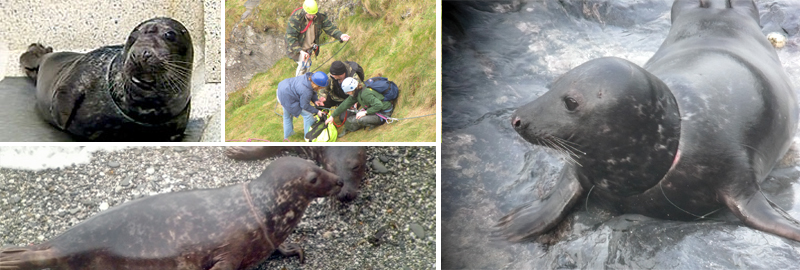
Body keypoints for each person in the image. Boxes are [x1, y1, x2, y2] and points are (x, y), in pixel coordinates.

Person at [286, 0, 352, 76]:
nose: (312, 17)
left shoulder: (320, 16)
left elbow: (329, 28)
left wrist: (340, 35)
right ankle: (298, 84)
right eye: (310, 15)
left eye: (313, 15)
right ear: (305, 11)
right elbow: (291, 37)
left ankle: (305, 82)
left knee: (307, 66)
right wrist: (300, 51)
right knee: (303, 65)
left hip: (308, 48)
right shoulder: (295, 19)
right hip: (296, 48)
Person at [325, 77, 393, 137]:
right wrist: (332, 116)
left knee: (360, 119)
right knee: (358, 115)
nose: (348, 94)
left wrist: (366, 112)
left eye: (348, 92)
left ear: (352, 89)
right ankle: (350, 127)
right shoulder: (357, 93)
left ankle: (373, 123)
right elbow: (344, 104)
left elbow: (379, 105)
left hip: (383, 113)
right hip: (376, 110)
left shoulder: (365, 94)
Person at [277, 71, 329, 141]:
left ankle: (288, 136)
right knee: (308, 115)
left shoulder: (309, 78)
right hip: (287, 97)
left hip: (282, 89)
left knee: (287, 115)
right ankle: (308, 137)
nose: (321, 89)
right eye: (321, 87)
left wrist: (315, 100)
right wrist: (317, 111)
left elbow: (312, 90)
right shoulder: (306, 91)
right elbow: (304, 105)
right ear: (317, 85)